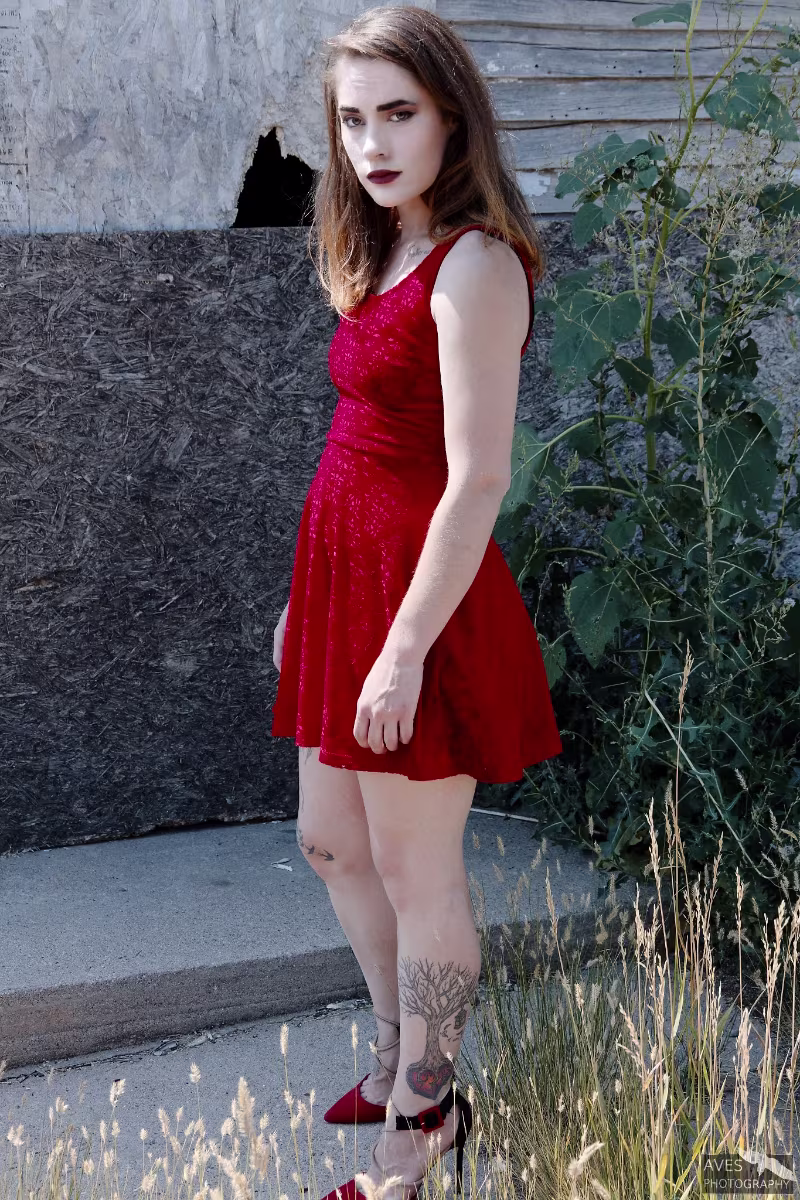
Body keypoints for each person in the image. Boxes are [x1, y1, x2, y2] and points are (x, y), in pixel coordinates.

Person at [269, 6, 562, 1198]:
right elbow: (358, 438)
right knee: (331, 842)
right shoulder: (385, 241)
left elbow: (477, 478)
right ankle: (395, 1053)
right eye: (352, 120)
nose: (373, 143)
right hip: (344, 586)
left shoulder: (473, 263)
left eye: (398, 114)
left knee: (414, 870)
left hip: (416, 607)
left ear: (451, 117)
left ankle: (425, 1114)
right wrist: (306, 608)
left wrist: (397, 652)